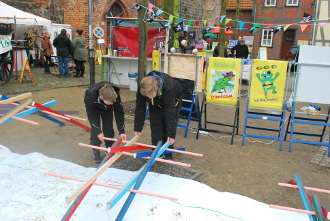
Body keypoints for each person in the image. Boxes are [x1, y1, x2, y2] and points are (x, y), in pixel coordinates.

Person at [134, 71, 183, 160]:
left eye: (151, 95)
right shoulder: (142, 87)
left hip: (172, 102)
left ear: (157, 88)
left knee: (166, 124)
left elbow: (170, 113)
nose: (149, 97)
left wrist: (171, 135)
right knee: (156, 125)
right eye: (147, 96)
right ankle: (157, 151)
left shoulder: (168, 88)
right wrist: (137, 128)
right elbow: (140, 107)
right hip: (155, 103)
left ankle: (168, 153)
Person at [84, 82, 126, 163]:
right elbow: (91, 116)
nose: (112, 103)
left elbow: (119, 112)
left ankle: (109, 147)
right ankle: (96, 150)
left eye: (113, 102)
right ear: (101, 97)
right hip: (94, 108)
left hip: (107, 109)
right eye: (111, 102)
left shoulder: (114, 95)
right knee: (95, 130)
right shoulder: (90, 95)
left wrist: (121, 130)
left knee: (108, 126)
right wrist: (98, 131)